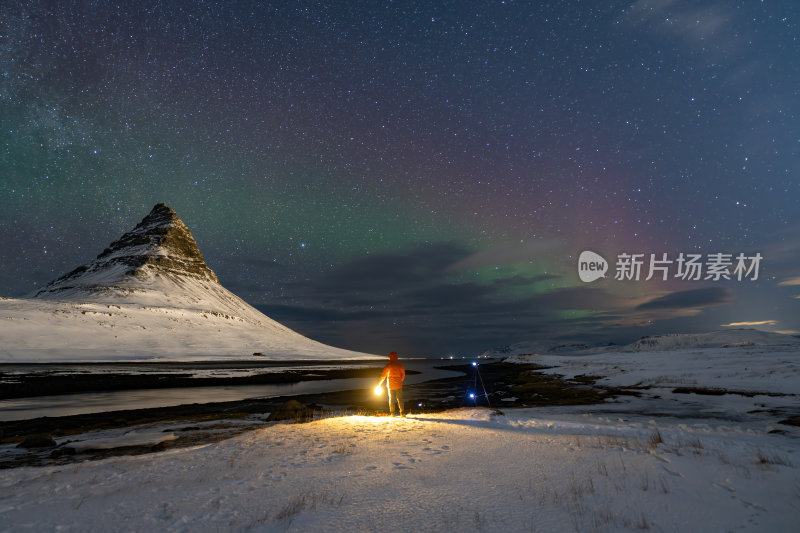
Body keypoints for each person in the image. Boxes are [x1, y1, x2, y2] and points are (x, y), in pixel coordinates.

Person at [377, 351, 406, 416]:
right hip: (398, 385)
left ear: (390, 357)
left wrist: (378, 384)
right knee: (400, 399)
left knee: (391, 400)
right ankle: (402, 413)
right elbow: (403, 375)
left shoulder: (388, 366)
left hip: (390, 386)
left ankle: (392, 413)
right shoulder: (400, 366)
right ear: (397, 357)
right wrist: (400, 381)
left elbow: (383, 376)